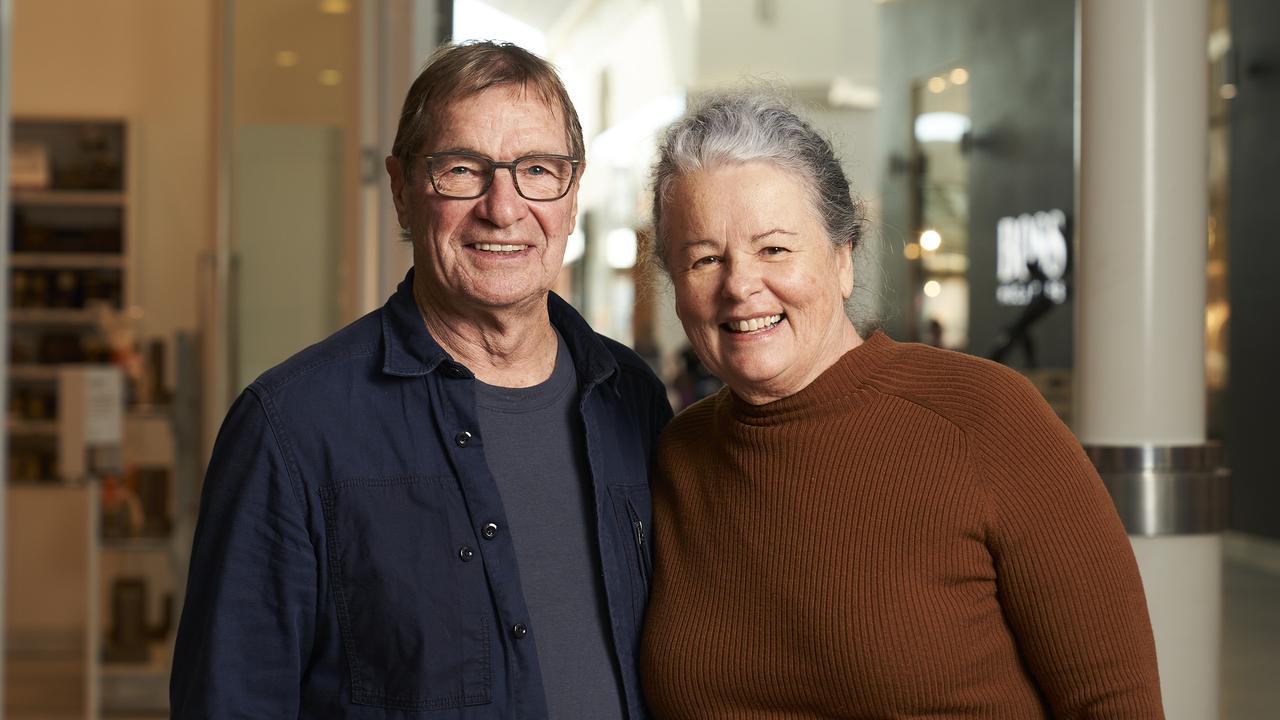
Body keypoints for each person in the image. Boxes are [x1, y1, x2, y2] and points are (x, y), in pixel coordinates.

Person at [172, 41, 672, 719]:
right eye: (463, 169)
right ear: (404, 190)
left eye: (538, 169)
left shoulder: (632, 398)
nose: (504, 207)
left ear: (572, 191)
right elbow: (230, 700)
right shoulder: (290, 430)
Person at [640, 94, 1164, 719]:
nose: (740, 285)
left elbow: (1113, 702)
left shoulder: (985, 418)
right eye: (704, 258)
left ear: (843, 260)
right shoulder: (676, 454)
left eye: (775, 249)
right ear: (676, 286)